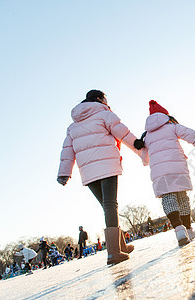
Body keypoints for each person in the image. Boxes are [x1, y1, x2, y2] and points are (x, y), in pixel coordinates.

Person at [57, 89, 138, 264]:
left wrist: (64, 173)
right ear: (100, 99)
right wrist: (137, 144)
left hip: (88, 171)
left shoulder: (73, 125)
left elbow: (67, 150)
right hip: (107, 165)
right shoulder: (104, 113)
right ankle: (114, 252)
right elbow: (121, 132)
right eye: (105, 99)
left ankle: (121, 247)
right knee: (110, 205)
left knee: (108, 207)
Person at [134, 100, 195, 246]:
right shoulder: (172, 126)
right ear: (165, 115)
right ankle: (189, 229)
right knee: (182, 198)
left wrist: (142, 148)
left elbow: (144, 160)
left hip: (159, 173)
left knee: (168, 199)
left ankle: (179, 229)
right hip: (177, 168)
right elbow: (191, 135)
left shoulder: (146, 136)